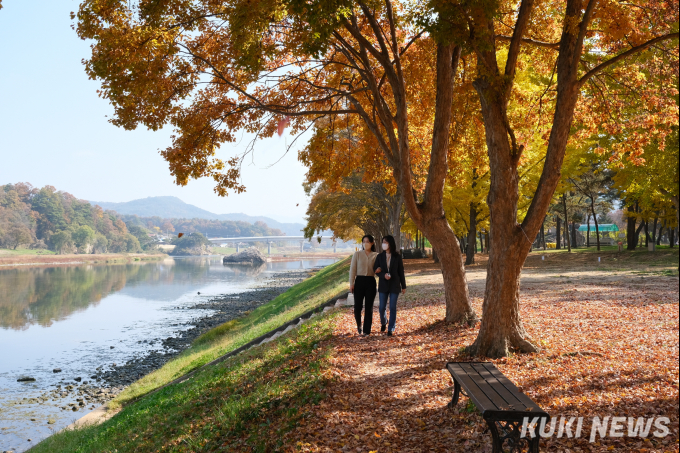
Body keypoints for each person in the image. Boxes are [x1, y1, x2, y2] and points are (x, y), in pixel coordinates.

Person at [373, 235, 406, 336]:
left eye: (386, 242)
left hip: (394, 285)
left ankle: (391, 328)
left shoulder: (397, 257)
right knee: (382, 307)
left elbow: (401, 271)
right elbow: (376, 270)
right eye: (383, 242)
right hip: (383, 285)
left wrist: (403, 285)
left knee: (392, 307)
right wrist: (383, 275)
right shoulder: (379, 256)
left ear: (390, 243)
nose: (384, 244)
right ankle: (384, 322)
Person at [349, 235, 378, 335]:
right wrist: (351, 283)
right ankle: (359, 325)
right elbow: (352, 270)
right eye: (364, 241)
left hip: (371, 281)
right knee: (358, 307)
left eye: (368, 241)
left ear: (372, 243)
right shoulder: (357, 254)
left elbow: (379, 269)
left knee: (369, 307)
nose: (365, 243)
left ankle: (366, 330)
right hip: (359, 281)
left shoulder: (376, 255)